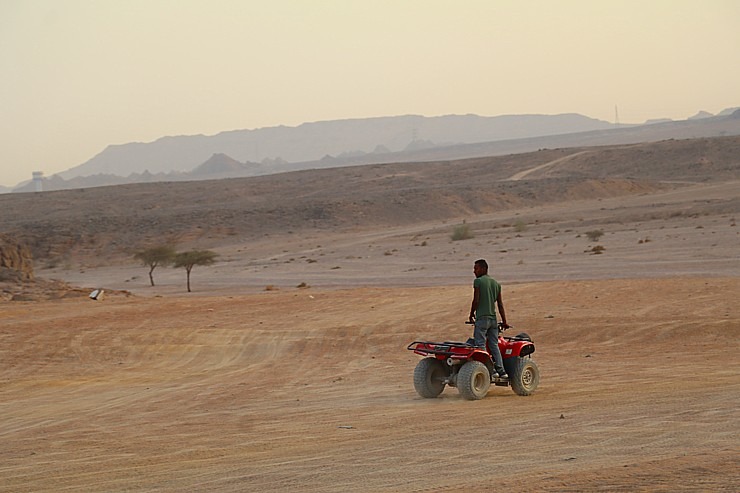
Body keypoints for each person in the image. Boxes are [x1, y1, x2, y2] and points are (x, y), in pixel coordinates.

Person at [468, 259, 509, 378]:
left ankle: (491, 371)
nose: (474, 271)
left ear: (483, 269)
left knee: (480, 345)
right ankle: (502, 371)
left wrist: (471, 314)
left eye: (476, 268)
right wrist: (505, 321)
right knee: (494, 345)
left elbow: (476, 300)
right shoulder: (496, 284)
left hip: (482, 319)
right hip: (493, 320)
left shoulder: (478, 282)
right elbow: (500, 305)